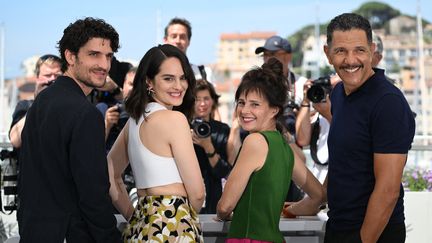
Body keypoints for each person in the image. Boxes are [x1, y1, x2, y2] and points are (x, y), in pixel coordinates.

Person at [17, 17, 121, 242]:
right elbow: (93, 195)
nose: (104, 65)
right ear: (70, 56)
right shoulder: (86, 114)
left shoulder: (41, 102)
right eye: (94, 54)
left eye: (109, 56)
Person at [323, 13, 415, 243]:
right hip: (337, 227)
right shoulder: (338, 95)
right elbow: (343, 162)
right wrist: (311, 202)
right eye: (341, 51)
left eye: (359, 50)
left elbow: (388, 191)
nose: (350, 60)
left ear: (372, 50)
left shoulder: (388, 102)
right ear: (327, 54)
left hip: (374, 234)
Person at [217, 58, 324, 243]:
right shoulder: (284, 147)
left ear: (274, 110)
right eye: (241, 102)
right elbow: (319, 195)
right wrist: (288, 210)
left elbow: (225, 206)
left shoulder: (255, 142)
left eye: (255, 104)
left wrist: (222, 212)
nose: (244, 110)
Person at [107, 44, 205, 242]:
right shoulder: (176, 120)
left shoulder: (133, 121)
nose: (179, 86)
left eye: (183, 77)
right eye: (168, 78)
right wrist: (183, 217)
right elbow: (197, 193)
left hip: (140, 228)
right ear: (149, 81)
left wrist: (133, 216)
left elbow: (108, 173)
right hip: (174, 225)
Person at [255, 35, 308, 201]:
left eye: (274, 54)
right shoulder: (254, 86)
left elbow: (304, 139)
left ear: (288, 56)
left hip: (293, 161)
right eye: (265, 55)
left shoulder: (303, 85)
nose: (268, 59)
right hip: (261, 161)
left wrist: (305, 103)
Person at [191, 79, 231, 214]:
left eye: (206, 98)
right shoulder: (182, 127)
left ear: (213, 101)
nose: (202, 104)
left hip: (214, 196)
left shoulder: (222, 130)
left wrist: (208, 147)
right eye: (197, 99)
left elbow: (224, 172)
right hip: (188, 197)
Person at [9, 54, 62, 148]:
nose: (53, 79)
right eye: (47, 75)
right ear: (37, 79)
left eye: (57, 76)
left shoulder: (71, 106)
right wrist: (38, 103)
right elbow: (15, 140)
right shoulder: (25, 106)